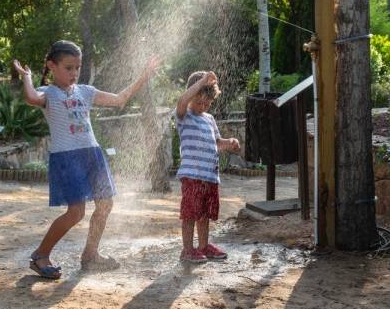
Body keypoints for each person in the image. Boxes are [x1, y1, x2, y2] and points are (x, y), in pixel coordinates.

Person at [13, 40, 160, 279]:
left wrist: (144, 76)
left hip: (92, 154)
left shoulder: (86, 92)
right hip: (67, 157)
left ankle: (90, 255)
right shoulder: (49, 94)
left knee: (105, 204)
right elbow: (30, 97)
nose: (74, 73)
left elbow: (120, 99)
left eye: (77, 68)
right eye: (68, 67)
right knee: (75, 213)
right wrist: (27, 76)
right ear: (52, 66)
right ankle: (40, 255)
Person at [175, 70, 241, 263]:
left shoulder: (209, 119)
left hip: (209, 176)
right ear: (191, 96)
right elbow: (182, 101)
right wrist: (203, 81)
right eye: (199, 102)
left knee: (203, 214)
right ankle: (187, 249)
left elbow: (217, 141)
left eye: (207, 103)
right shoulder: (183, 115)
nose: (203, 106)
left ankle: (203, 246)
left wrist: (230, 142)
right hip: (192, 175)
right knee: (189, 213)